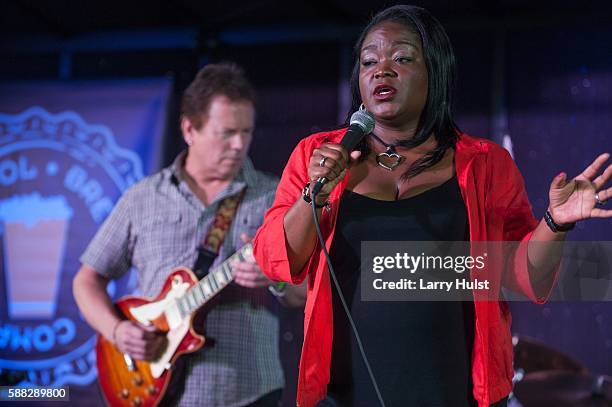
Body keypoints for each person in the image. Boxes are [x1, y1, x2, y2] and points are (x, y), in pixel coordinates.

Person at [253, 5, 612, 407]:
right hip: (346, 393)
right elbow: (277, 260)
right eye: (369, 61)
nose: (381, 70)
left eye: (402, 58)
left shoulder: (484, 163)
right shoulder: (317, 154)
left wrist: (555, 223)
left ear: (434, 71)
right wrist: (314, 195)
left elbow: (524, 276)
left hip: (452, 390)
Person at [73, 63, 306, 407]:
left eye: (247, 131)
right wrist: (118, 332)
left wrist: (277, 279)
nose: (239, 144)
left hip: (248, 389)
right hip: (154, 387)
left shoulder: (277, 198)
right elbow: (86, 281)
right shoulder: (143, 197)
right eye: (226, 132)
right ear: (189, 129)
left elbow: (304, 295)